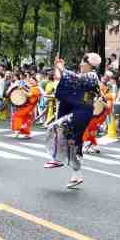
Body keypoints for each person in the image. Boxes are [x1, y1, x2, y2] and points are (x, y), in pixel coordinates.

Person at [44, 53, 101, 189]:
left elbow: (75, 78)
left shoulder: (92, 76)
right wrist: (57, 67)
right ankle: (76, 175)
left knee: (56, 127)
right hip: (79, 111)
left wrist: (62, 68)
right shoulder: (83, 77)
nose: (81, 65)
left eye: (83, 62)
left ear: (89, 65)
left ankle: (57, 158)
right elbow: (62, 80)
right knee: (72, 144)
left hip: (82, 112)